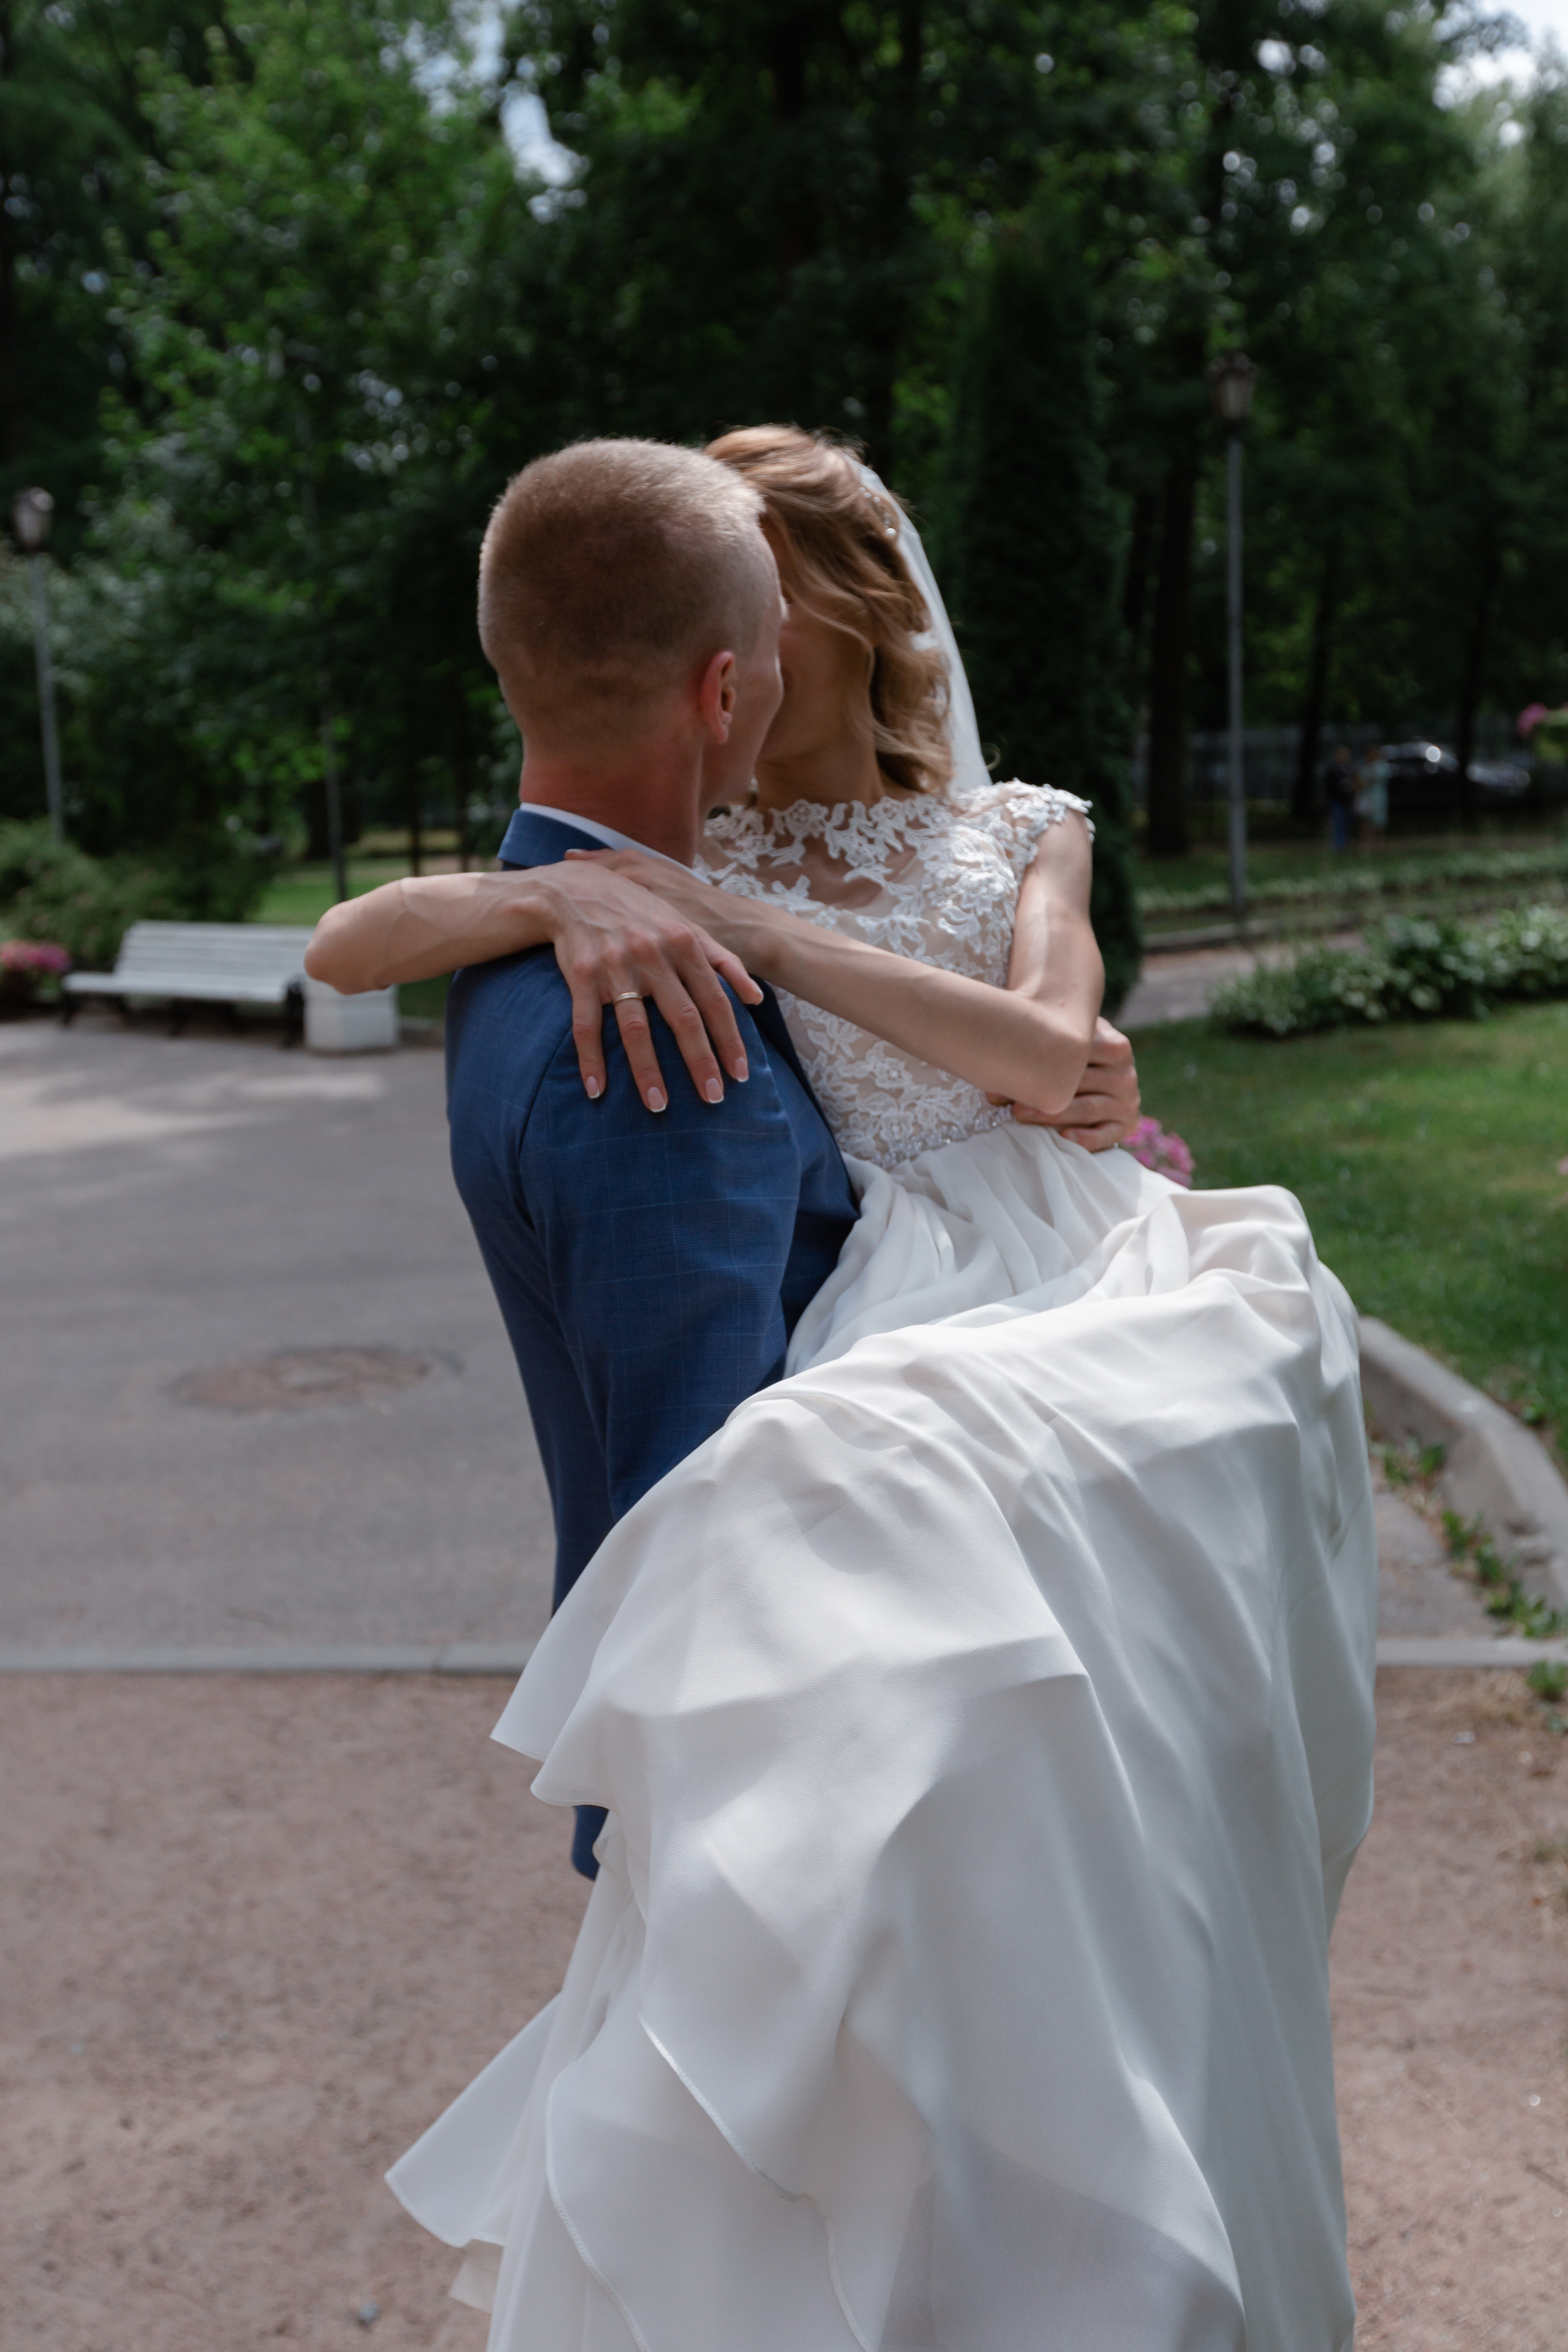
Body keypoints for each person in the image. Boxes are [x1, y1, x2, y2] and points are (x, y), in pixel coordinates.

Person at [314, 431, 1376, 2352]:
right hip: (884, 1315)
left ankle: (1091, 2154)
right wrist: (565, 901)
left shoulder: (999, 830)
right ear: (729, 674)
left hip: (1034, 1256)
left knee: (1122, 1734)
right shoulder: (678, 858)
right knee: (943, 1773)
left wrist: (749, 926)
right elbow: (356, 937)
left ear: (846, 629)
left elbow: (1046, 1047)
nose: (773, 661)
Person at [1325, 742, 1357, 851]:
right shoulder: (1332, 769)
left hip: (1348, 801)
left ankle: (1344, 843)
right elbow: (1329, 786)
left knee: (1348, 823)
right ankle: (1339, 847)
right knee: (1338, 822)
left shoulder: (1349, 768)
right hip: (1337, 801)